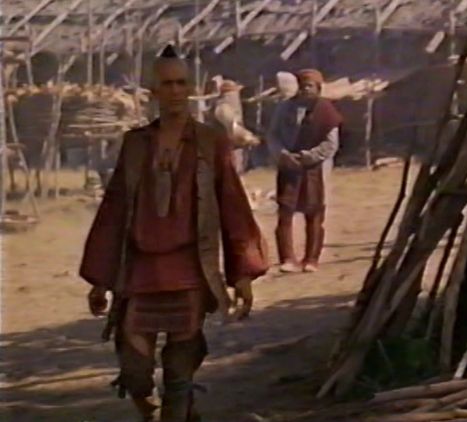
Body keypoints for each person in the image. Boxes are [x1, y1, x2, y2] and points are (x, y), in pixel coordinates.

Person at [79, 45, 268, 422]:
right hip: (140, 270)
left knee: (180, 371)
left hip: (189, 270)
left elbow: (232, 205)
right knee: (135, 368)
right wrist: (100, 279)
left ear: (191, 88)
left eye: (182, 83)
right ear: (154, 91)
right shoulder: (136, 144)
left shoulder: (210, 142)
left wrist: (242, 275)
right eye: (167, 84)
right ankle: (153, 407)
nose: (176, 91)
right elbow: (114, 209)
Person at [267, 69, 342, 273]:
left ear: (318, 88)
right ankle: (287, 258)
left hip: (316, 168)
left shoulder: (326, 111)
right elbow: (273, 135)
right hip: (288, 166)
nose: (306, 89)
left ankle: (311, 259)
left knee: (314, 212)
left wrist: (309, 156)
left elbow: (331, 143)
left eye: (310, 86)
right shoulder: (284, 108)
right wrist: (283, 155)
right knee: (285, 211)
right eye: (303, 86)